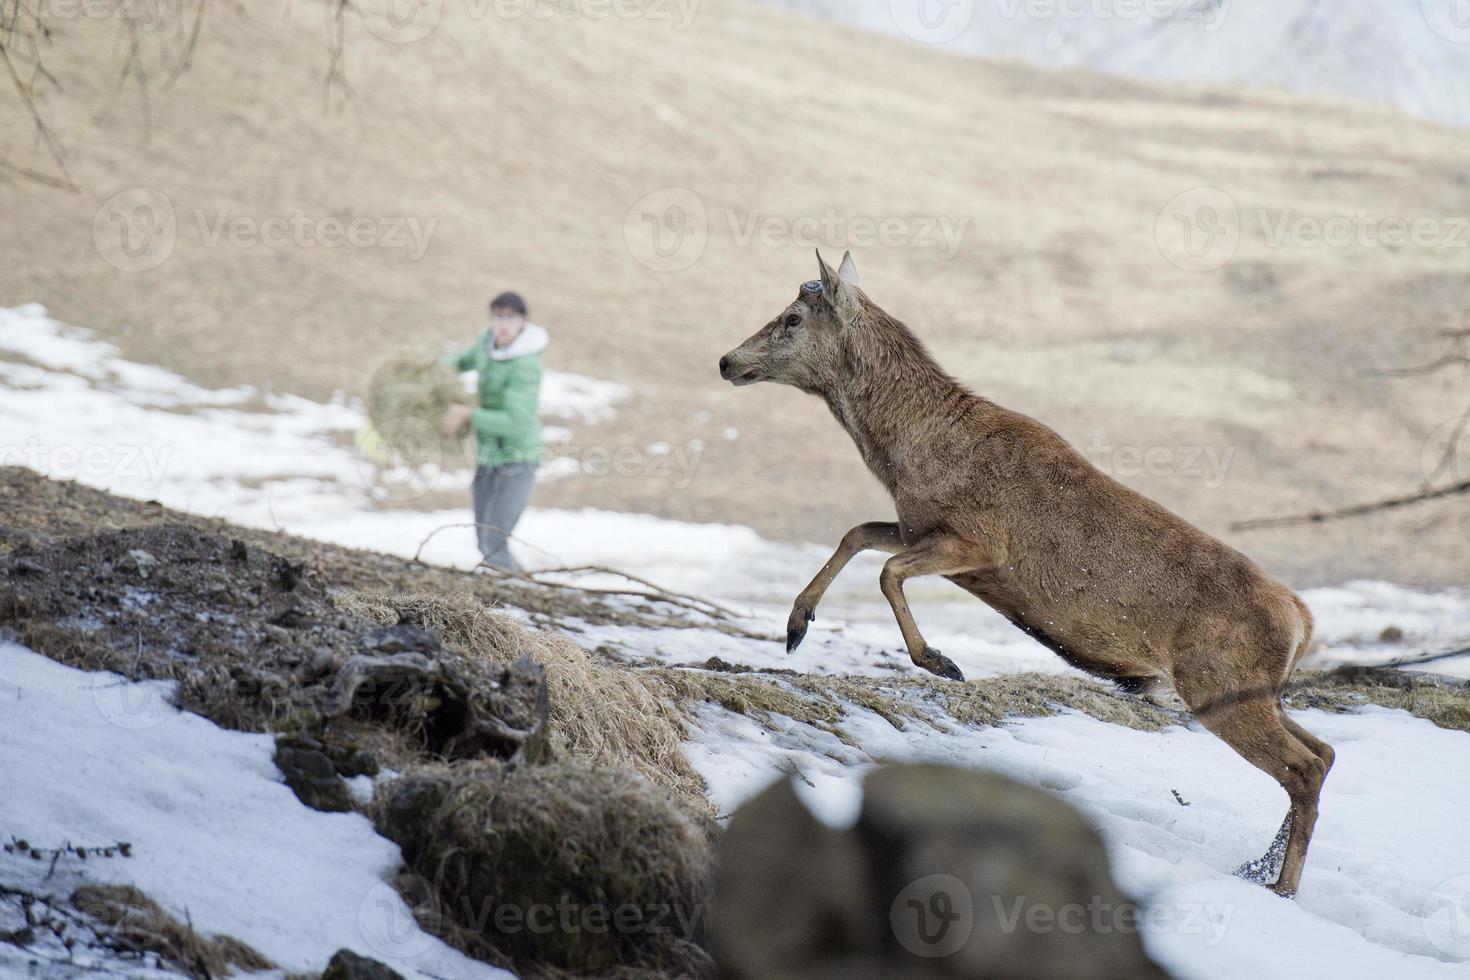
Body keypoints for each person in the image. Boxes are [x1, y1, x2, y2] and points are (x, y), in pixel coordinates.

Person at [442, 291, 546, 572]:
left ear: (523, 322)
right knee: (483, 540)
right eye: (498, 316)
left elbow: (517, 421)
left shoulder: (525, 366)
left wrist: (468, 414)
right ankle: (514, 591)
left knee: (494, 542)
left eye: (511, 317)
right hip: (488, 456)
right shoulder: (486, 345)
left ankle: (521, 598)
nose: (504, 323)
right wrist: (424, 372)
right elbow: (459, 363)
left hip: (517, 459)